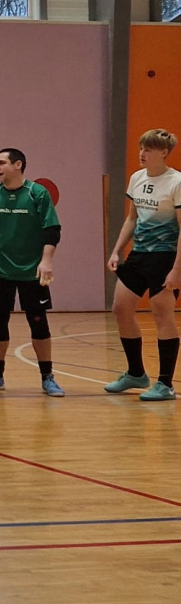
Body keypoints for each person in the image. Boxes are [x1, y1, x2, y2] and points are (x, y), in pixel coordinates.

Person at [0, 147, 64, 397]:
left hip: (32, 272)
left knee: (38, 323)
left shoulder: (37, 193)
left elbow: (52, 230)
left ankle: (47, 377)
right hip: (0, 271)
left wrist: (46, 261)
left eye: (2, 162)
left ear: (18, 165)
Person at [105, 128, 181, 401]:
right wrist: (117, 250)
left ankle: (165, 384)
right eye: (141, 148)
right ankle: (136, 373)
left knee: (162, 315)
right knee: (121, 308)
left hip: (165, 257)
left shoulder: (176, 182)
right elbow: (132, 218)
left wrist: (177, 269)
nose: (142, 153)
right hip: (139, 255)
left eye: (148, 149)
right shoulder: (137, 178)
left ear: (163, 152)